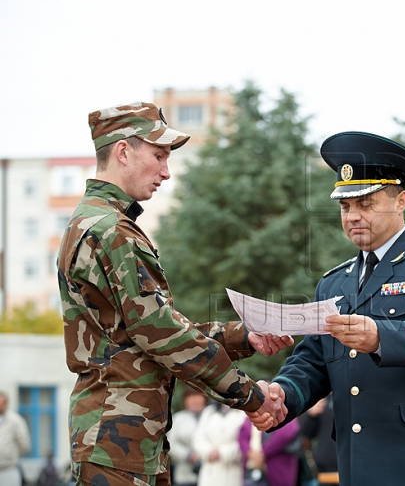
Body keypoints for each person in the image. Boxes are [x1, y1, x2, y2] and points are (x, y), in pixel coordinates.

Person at [57, 102, 292, 486]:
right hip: (118, 446)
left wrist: (242, 337)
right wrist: (250, 395)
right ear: (123, 151)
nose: (166, 171)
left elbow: (146, 329)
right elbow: (160, 332)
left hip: (126, 442)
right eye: (158, 155)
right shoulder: (112, 231)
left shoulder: (96, 222)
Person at [248, 131, 405, 485]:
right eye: (345, 207)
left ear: (401, 200)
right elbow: (314, 359)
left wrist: (381, 337)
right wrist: (284, 395)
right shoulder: (334, 282)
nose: (353, 215)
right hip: (359, 464)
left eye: (366, 203)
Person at [192, 403, 247, 486]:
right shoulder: (209, 411)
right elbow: (198, 438)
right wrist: (208, 451)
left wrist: (222, 452)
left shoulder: (244, 412)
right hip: (209, 471)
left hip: (233, 470)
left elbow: (245, 441)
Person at [239, 417, 301, 486]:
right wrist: (249, 452)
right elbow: (242, 435)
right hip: (252, 469)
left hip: (278, 469)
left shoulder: (285, 412)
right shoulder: (254, 413)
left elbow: (284, 435)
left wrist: (263, 453)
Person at [167, 387, 208, 486]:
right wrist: (188, 455)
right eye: (191, 397)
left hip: (210, 472)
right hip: (185, 474)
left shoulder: (212, 417)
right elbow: (171, 443)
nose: (194, 400)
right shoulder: (178, 418)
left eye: (198, 396)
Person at [298, 396, 337, 486]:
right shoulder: (321, 400)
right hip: (325, 463)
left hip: (349, 460)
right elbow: (306, 433)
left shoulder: (350, 398)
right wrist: (311, 415)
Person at [0, 391, 31, 486]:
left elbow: (25, 445)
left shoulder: (16, 421)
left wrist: (10, 453)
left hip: (9, 468)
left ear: (6, 404)